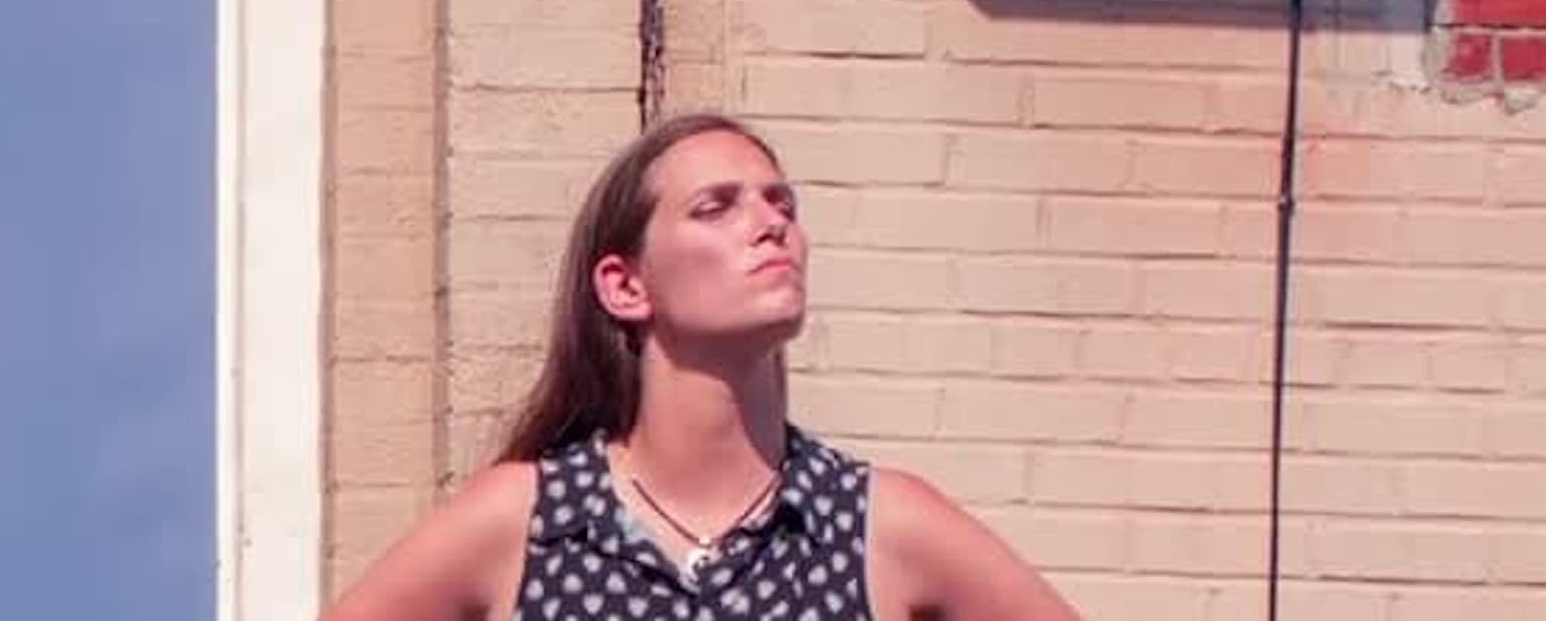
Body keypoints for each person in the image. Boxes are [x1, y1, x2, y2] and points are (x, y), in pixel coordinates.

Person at [325, 113, 1079, 620]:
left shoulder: (878, 525)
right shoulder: (529, 523)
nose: (770, 223)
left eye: (781, 204)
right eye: (716, 206)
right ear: (625, 286)